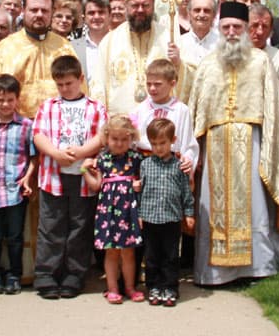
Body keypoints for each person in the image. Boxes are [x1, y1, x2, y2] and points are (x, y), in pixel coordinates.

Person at [188, 1, 279, 284]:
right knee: (213, 207)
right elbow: (197, 109)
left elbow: (273, 109)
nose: (232, 32)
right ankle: (215, 273)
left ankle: (256, 268)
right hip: (214, 146)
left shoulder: (261, 61)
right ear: (219, 29)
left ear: (247, 29)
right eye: (227, 27)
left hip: (252, 142)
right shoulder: (208, 64)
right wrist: (194, 151)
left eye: (238, 27)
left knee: (255, 205)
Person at [32, 54, 107, 299]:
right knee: (51, 226)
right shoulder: (48, 107)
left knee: (79, 227)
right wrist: (55, 153)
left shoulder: (95, 108)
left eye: (69, 83)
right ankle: (46, 274)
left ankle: (74, 275)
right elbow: (38, 135)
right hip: (53, 175)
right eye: (60, 84)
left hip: (83, 177)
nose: (65, 88)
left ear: (80, 79)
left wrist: (83, 152)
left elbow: (102, 136)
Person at [91, 0, 182, 117]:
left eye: (145, 5)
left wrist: (178, 63)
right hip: (121, 127)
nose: (140, 10)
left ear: (153, 5)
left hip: (160, 125)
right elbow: (98, 86)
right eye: (135, 5)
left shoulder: (168, 36)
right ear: (126, 6)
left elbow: (181, 80)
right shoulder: (110, 41)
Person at [0, 0, 78, 120]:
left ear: (52, 13)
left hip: (58, 124)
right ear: (23, 11)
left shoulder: (64, 47)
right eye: (34, 10)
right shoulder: (5, 48)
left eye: (45, 11)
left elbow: (78, 88)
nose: (39, 14)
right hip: (16, 128)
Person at [0, 73, 37, 295]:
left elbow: (34, 156)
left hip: (16, 190)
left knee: (15, 236)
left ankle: (14, 275)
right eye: (1, 100)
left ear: (18, 99)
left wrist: (28, 177)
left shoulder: (26, 126)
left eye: (10, 100)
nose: (5, 104)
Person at [83, 115, 144, 304]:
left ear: (131, 138)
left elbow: (144, 181)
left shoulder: (136, 158)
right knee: (111, 251)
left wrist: (139, 184)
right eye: (115, 139)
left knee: (129, 252)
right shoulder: (102, 158)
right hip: (108, 212)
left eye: (124, 139)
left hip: (129, 211)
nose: (119, 143)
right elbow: (96, 186)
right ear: (107, 138)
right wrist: (85, 171)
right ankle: (112, 288)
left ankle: (130, 287)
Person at [139, 118, 195, 307]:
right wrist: (139, 214)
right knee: (152, 256)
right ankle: (154, 286)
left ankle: (170, 287)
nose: (158, 148)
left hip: (171, 219)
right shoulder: (145, 165)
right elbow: (141, 192)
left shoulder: (179, 166)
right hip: (150, 219)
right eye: (154, 144)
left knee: (171, 255)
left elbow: (186, 192)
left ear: (173, 140)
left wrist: (189, 213)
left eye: (162, 143)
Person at [130, 58, 198, 173]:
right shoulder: (139, 110)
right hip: (145, 165)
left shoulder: (181, 110)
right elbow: (132, 142)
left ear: (172, 83)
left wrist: (188, 159)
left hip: (171, 167)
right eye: (149, 84)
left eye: (157, 84)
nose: (152, 88)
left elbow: (188, 144)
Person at [248, 4, 279, 124]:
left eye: (265, 27)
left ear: (271, 31)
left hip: (271, 124)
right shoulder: (235, 57)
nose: (259, 31)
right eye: (255, 25)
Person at [70, 0, 110, 84]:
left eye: (101, 12)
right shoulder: (72, 48)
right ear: (84, 18)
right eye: (91, 13)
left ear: (109, 15)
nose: (96, 17)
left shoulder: (121, 44)